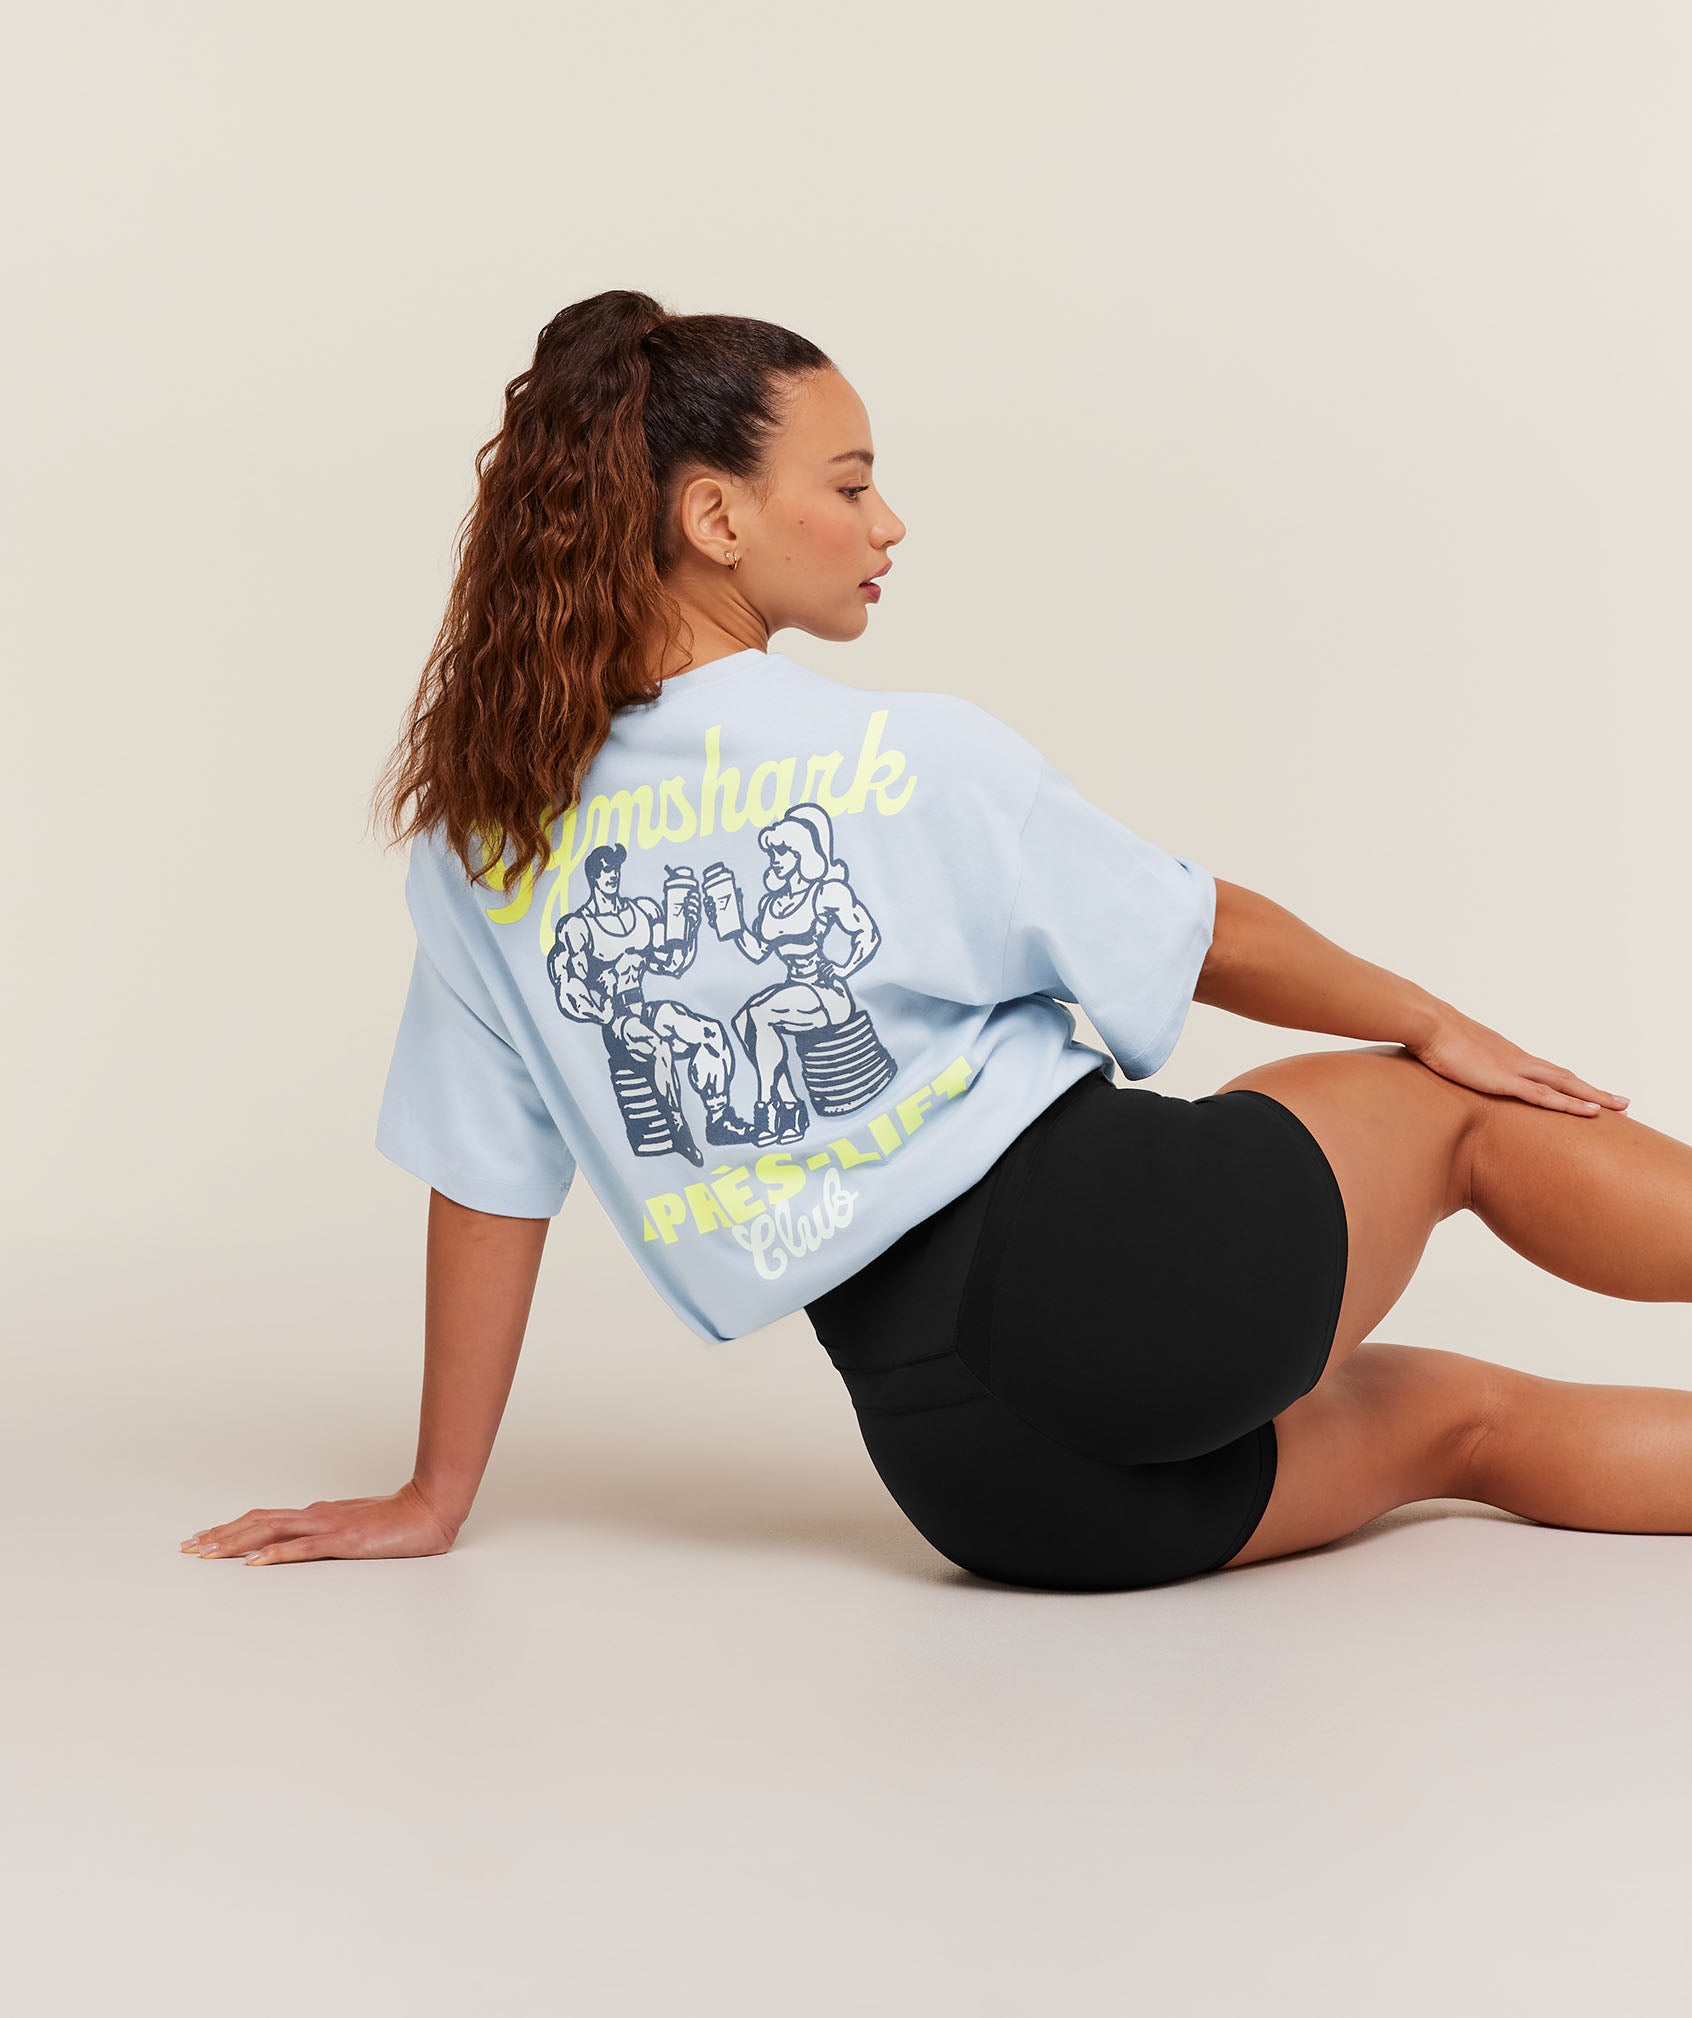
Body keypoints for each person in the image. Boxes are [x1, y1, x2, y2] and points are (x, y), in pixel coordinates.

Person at [188, 287, 1692, 1590]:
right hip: (1133, 1271)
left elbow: (487, 1183)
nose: (886, 522)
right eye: (849, 484)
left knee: (1464, 1426)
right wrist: (1435, 1022)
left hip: (982, 1482)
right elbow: (1196, 926)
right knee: (1461, 1116)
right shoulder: (902, 755)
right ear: (715, 518)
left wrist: (434, 1494)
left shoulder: (486, 842)